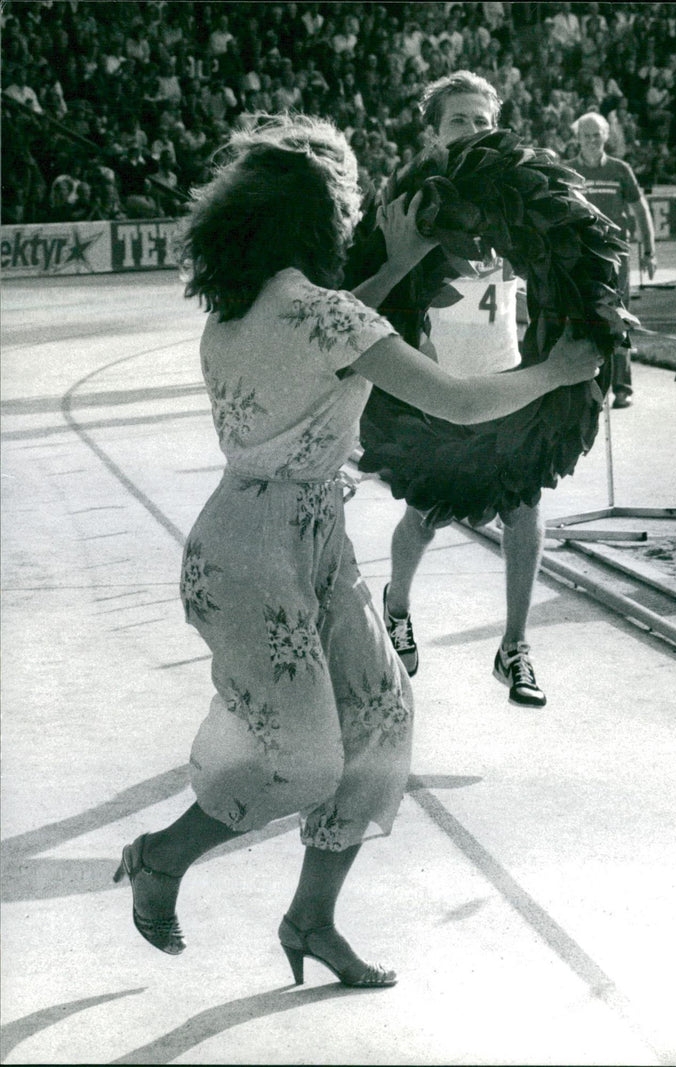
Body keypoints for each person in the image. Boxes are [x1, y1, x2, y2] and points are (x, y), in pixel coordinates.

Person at [112, 113, 600, 986]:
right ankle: (162, 855)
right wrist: (557, 374)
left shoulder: (244, 312)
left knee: (381, 717)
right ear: (318, 219)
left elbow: (329, 342)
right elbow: (453, 398)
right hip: (258, 561)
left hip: (283, 540)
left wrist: (405, 262)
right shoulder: (323, 314)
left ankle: (311, 918)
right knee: (302, 761)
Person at [378, 70, 559, 709]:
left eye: (484, 120)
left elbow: (538, 284)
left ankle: (514, 646)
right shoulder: (415, 198)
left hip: (507, 377)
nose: (475, 131)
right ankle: (395, 606)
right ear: (434, 130)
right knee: (426, 513)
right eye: (460, 120)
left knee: (524, 511)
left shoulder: (520, 199)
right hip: (437, 384)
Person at [566, 111, 657, 409]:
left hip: (616, 256)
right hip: (582, 256)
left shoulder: (620, 170)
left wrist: (649, 251)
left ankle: (622, 386)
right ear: (577, 138)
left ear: (606, 136)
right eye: (586, 135)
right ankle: (587, 386)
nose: (592, 141)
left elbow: (640, 210)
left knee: (619, 318)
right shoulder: (567, 172)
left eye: (596, 135)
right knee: (581, 318)